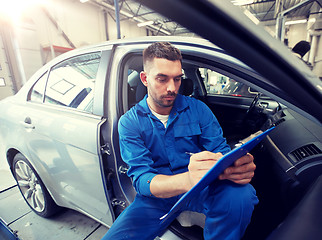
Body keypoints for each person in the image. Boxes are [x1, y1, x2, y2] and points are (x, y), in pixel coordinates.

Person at [102, 42, 258, 240]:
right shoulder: (130, 123)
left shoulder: (199, 110)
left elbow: (220, 151)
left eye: (177, 79)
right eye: (162, 79)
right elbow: (142, 179)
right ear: (145, 79)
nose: (172, 88)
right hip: (156, 197)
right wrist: (187, 180)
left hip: (202, 188)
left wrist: (236, 165)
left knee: (241, 195)